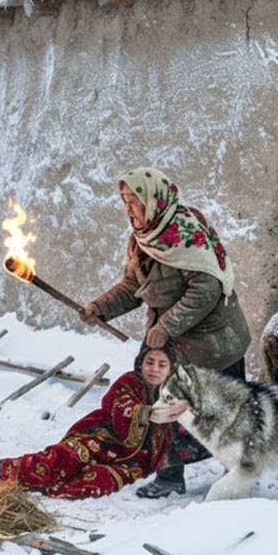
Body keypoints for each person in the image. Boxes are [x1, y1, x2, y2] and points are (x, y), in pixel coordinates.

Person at [79, 167, 250, 498]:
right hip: (168, 340)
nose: (129, 209)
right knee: (158, 400)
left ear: (154, 200)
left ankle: (237, 472)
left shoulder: (185, 234)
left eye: (135, 201)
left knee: (222, 410)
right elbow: (134, 285)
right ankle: (170, 474)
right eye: (125, 201)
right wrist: (101, 307)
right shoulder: (144, 238)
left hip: (213, 342)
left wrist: (164, 327)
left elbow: (206, 288)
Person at [0, 346, 208, 499]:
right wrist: (147, 414)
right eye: (149, 362)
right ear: (140, 364)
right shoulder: (129, 381)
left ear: (171, 369)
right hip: (98, 441)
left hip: (129, 463)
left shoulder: (177, 393)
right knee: (58, 462)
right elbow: (120, 406)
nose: (154, 369)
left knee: (93, 484)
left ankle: (35, 488)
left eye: (161, 364)